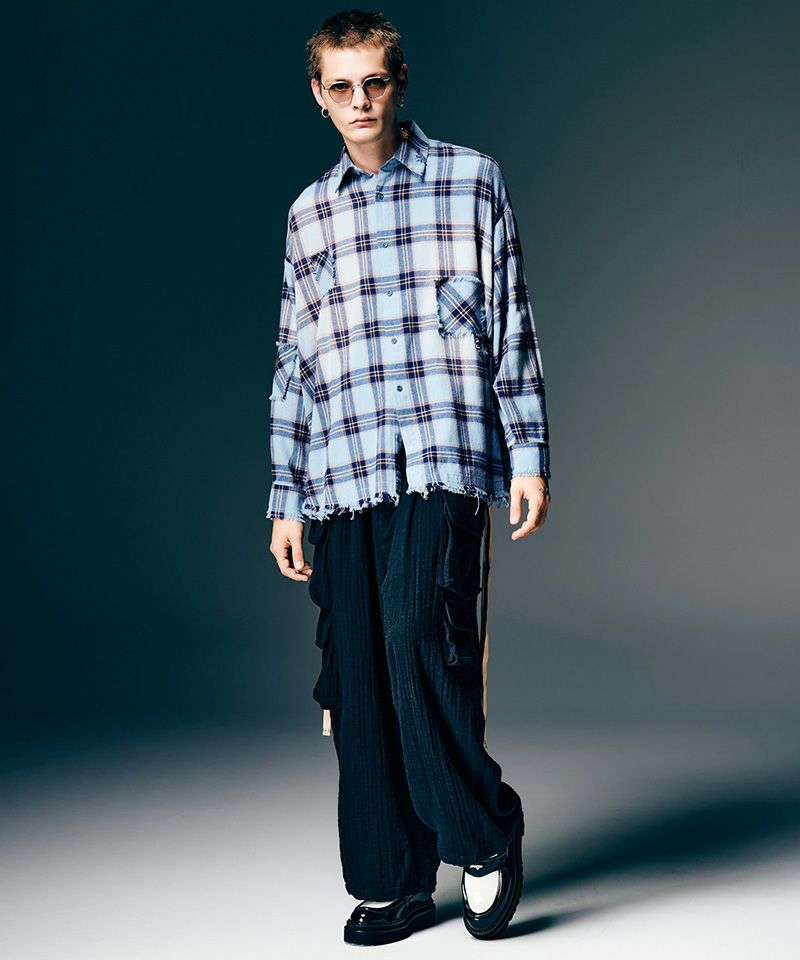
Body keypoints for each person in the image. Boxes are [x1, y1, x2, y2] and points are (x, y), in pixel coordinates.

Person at [266, 9, 551, 946]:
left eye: (374, 83)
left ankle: (483, 832)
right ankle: (393, 876)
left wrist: (528, 453)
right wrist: (286, 497)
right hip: (341, 470)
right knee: (356, 673)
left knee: (417, 635)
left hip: (443, 456)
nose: (360, 102)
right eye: (341, 87)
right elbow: (294, 365)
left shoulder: (472, 183)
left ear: (399, 82)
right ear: (318, 96)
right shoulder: (310, 216)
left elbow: (510, 325)